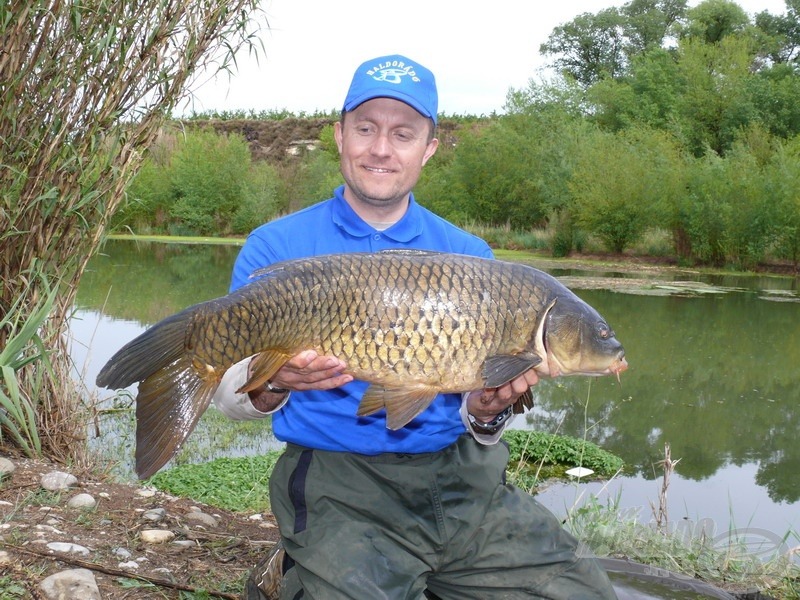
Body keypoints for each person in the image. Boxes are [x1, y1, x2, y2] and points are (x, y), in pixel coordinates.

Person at [214, 54, 617, 600]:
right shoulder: (277, 248)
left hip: (461, 481)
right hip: (340, 480)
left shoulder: (472, 257)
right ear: (339, 135)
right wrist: (275, 383)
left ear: (428, 149)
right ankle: (297, 567)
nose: (382, 148)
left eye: (403, 133)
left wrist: (484, 411)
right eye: (366, 128)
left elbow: (473, 408)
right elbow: (230, 392)